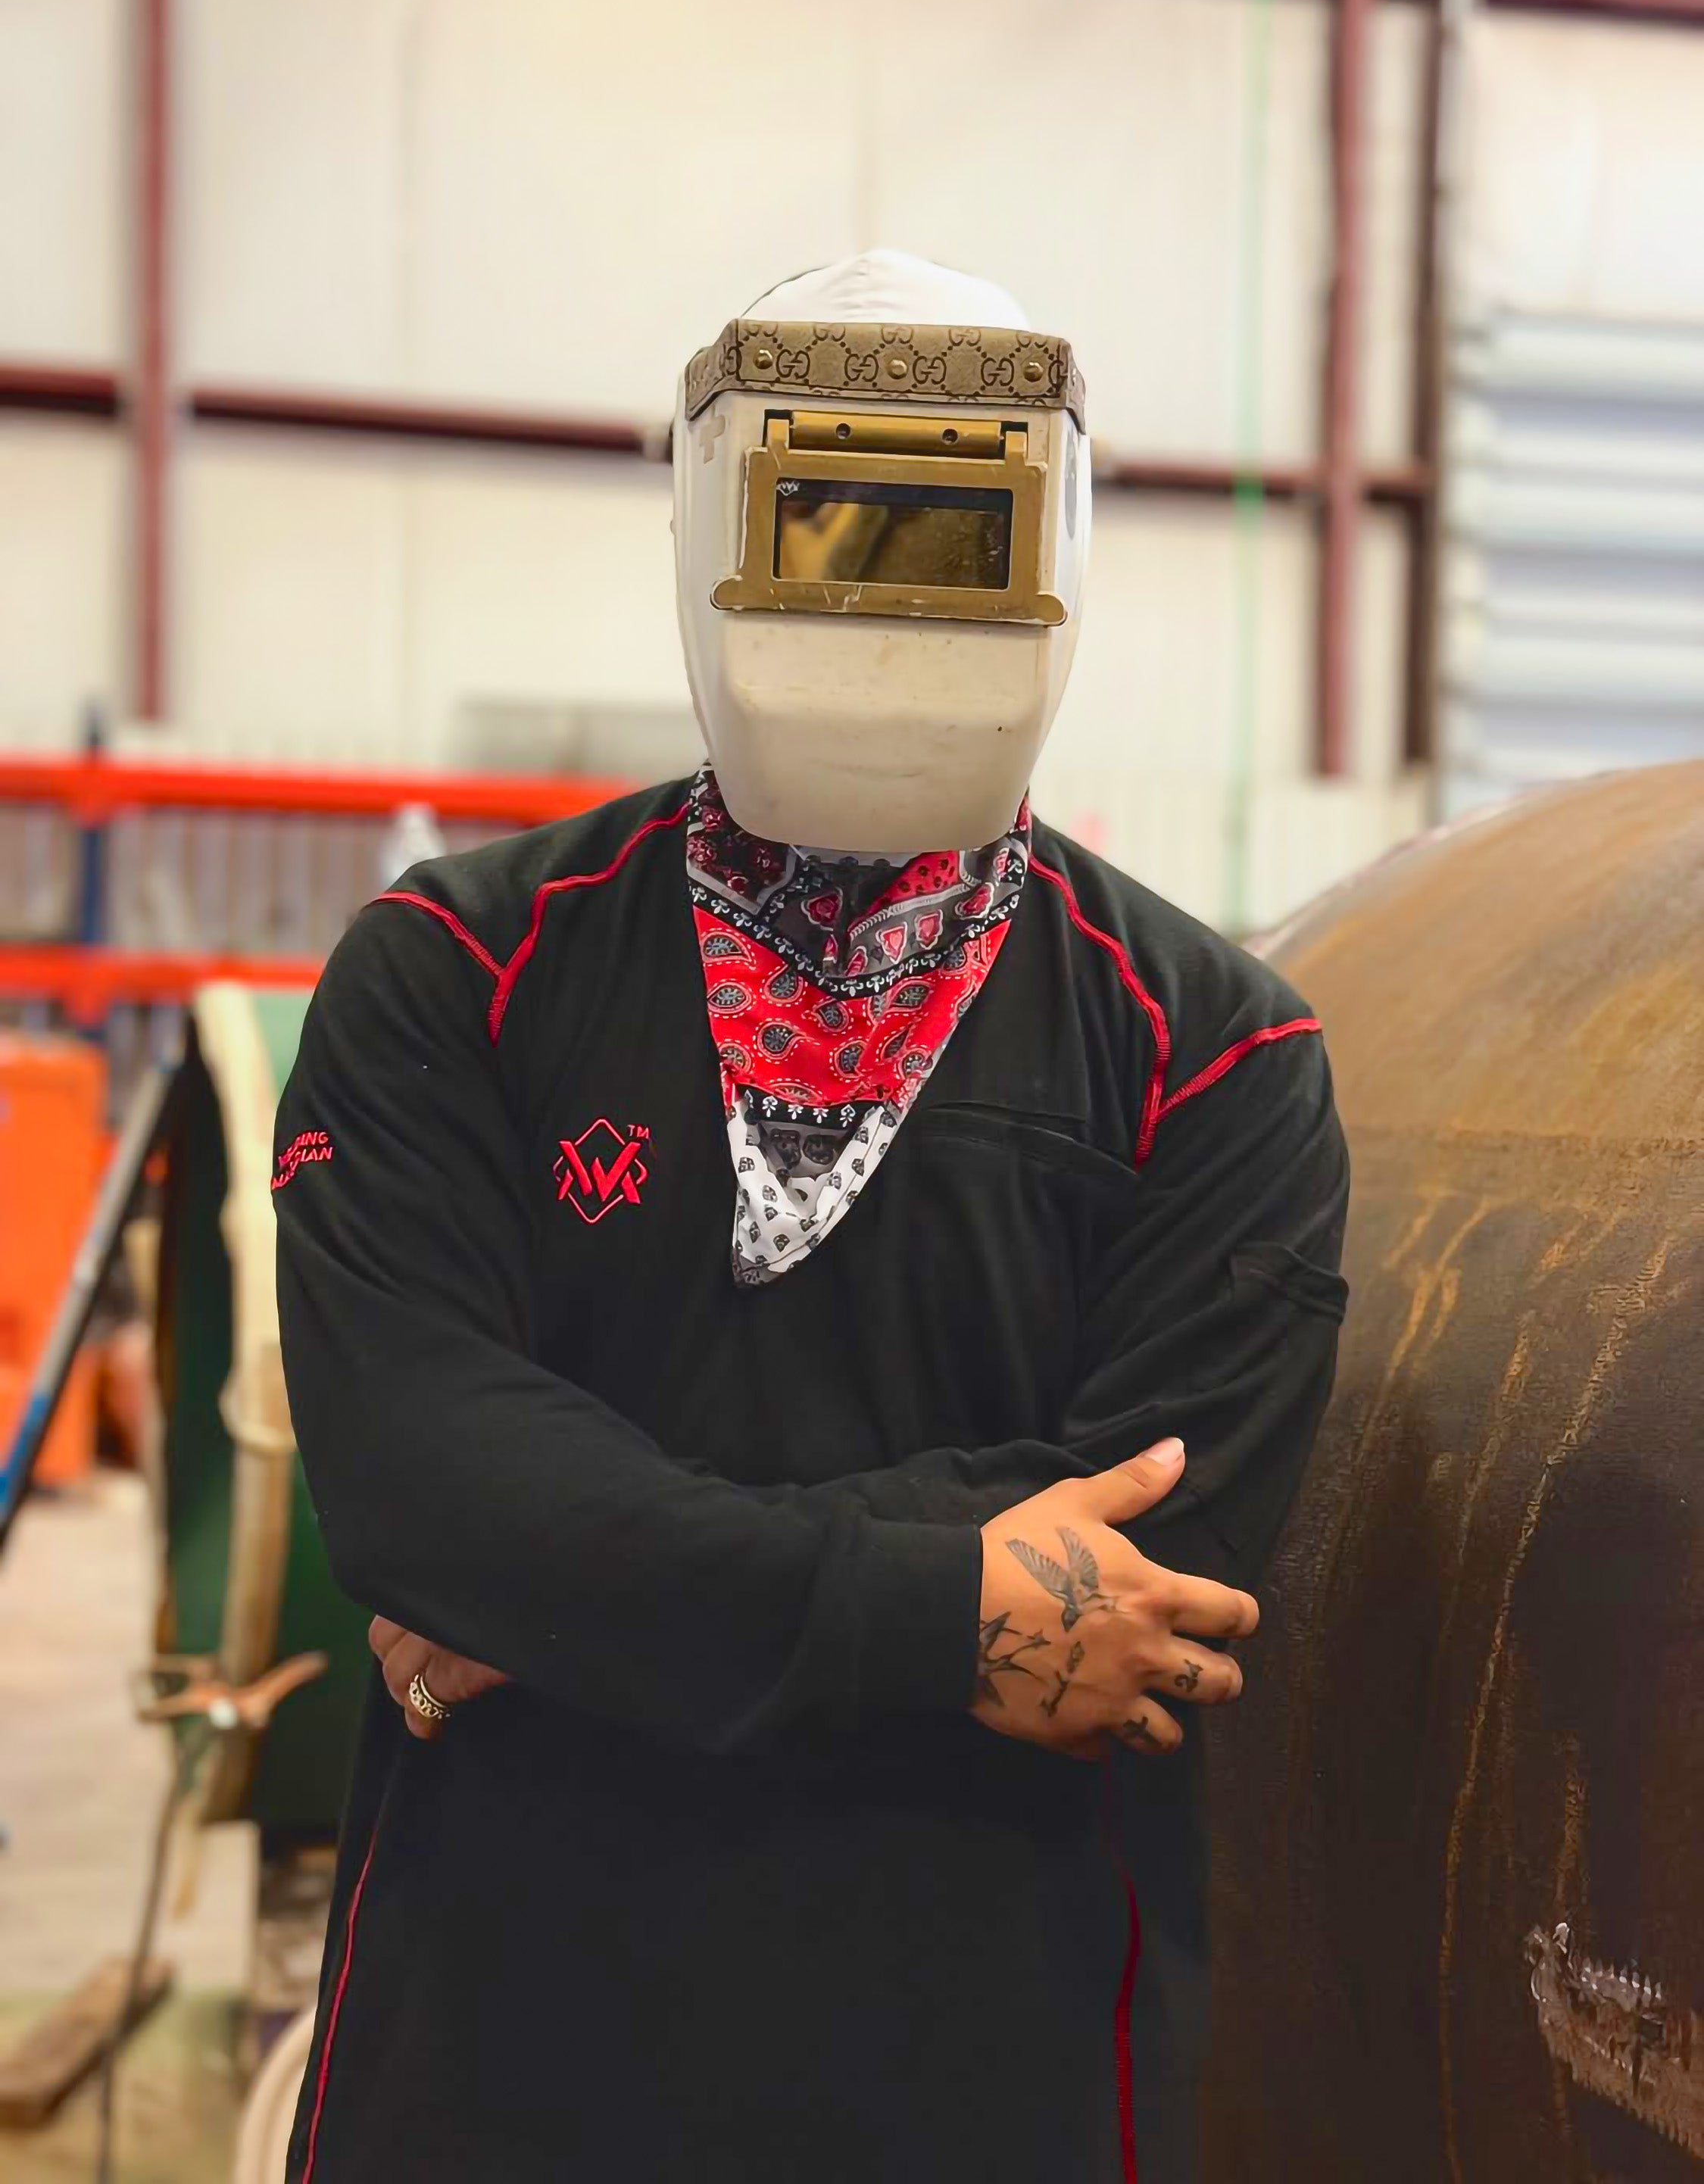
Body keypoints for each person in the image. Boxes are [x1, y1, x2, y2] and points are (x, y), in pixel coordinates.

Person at [273, 251, 1349, 2183]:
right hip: (502, 2058)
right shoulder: (456, 973)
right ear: (710, 516)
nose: (885, 608)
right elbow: (418, 1483)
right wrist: (949, 1614)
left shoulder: (1217, 1059)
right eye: (832, 524)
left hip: (984, 2066)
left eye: (950, 538)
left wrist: (565, 1583)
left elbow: (1169, 1547)